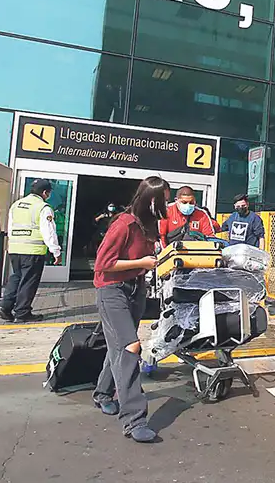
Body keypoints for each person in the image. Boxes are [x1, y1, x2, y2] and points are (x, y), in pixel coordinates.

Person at [92, 176, 169, 443]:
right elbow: (102, 265)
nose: (168, 206)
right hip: (112, 290)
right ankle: (134, 419)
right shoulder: (123, 224)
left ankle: (102, 394)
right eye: (165, 201)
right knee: (130, 347)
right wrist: (141, 262)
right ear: (152, 201)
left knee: (119, 347)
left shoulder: (149, 226)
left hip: (135, 289)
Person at [0, 179, 61, 323]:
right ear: (45, 193)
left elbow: (10, 226)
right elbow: (48, 232)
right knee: (29, 281)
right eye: (48, 193)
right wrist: (56, 251)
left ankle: (5, 306)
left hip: (14, 249)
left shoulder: (16, 205)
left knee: (16, 277)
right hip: (33, 251)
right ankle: (22, 312)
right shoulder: (43, 207)